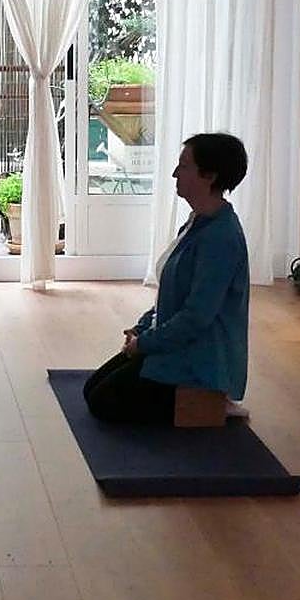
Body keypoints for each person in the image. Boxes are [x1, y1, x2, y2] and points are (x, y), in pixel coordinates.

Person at [84, 133, 250, 424]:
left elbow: (196, 317)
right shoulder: (197, 222)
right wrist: (142, 329)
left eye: (184, 166)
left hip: (200, 357)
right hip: (178, 342)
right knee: (91, 389)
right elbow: (173, 296)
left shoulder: (221, 238)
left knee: (102, 402)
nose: (175, 173)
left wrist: (145, 344)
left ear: (209, 176)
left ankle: (209, 402)